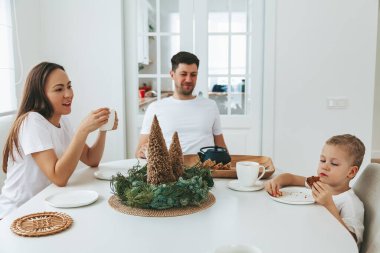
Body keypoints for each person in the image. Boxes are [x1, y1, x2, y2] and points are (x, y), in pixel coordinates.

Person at [0, 62, 118, 219]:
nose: (68, 94)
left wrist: (103, 129)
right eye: (59, 89)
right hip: (15, 214)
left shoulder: (62, 122)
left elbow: (92, 159)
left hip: (42, 209)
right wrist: (83, 130)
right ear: (41, 94)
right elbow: (59, 177)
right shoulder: (32, 121)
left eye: (69, 86)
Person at [265, 134, 365, 245]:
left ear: (351, 172)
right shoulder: (319, 184)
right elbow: (292, 178)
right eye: (323, 160)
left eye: (334, 163)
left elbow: (352, 241)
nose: (325, 166)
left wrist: (329, 204)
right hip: (310, 238)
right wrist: (276, 181)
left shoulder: (350, 202)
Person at [135, 51, 227, 157]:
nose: (188, 79)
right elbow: (140, 151)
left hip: (205, 170)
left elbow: (221, 146)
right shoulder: (155, 108)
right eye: (183, 74)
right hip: (170, 171)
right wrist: (148, 155)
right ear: (172, 74)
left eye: (193, 75)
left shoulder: (210, 106)